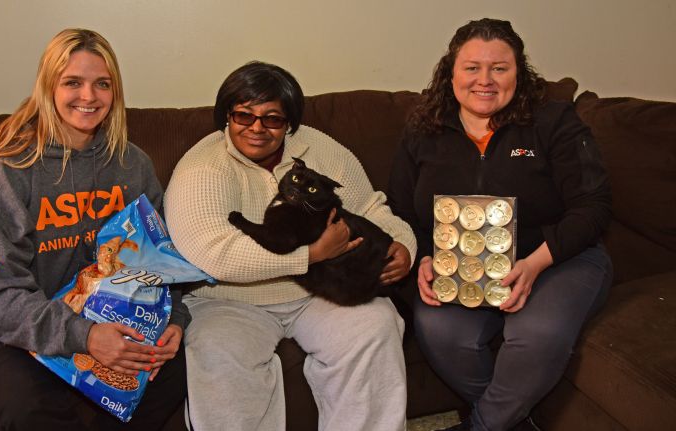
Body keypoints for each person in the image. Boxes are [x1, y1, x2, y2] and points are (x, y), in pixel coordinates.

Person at [163, 61, 417, 431]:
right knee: (216, 353)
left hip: (320, 294)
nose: (256, 129)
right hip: (227, 300)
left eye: (272, 119)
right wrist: (311, 255)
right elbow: (211, 253)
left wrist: (402, 243)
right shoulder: (201, 167)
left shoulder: (320, 149)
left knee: (375, 325)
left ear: (290, 123)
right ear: (226, 116)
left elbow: (370, 208)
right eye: (243, 116)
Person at [387, 18, 613, 431]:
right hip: (462, 263)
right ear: (451, 71)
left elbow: (593, 206)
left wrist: (535, 264)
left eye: (499, 68)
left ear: (519, 72)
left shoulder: (554, 122)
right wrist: (421, 256)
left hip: (558, 258)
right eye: (472, 67)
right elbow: (399, 209)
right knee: (438, 329)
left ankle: (483, 425)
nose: (484, 80)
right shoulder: (422, 130)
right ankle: (515, 421)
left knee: (536, 334)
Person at [0, 28, 189, 430]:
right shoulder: (11, 170)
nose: (88, 97)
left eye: (102, 84)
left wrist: (174, 321)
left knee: (186, 366)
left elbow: (162, 261)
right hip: (32, 327)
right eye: (73, 82)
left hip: (120, 318)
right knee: (27, 409)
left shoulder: (132, 164)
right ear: (49, 87)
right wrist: (85, 336)